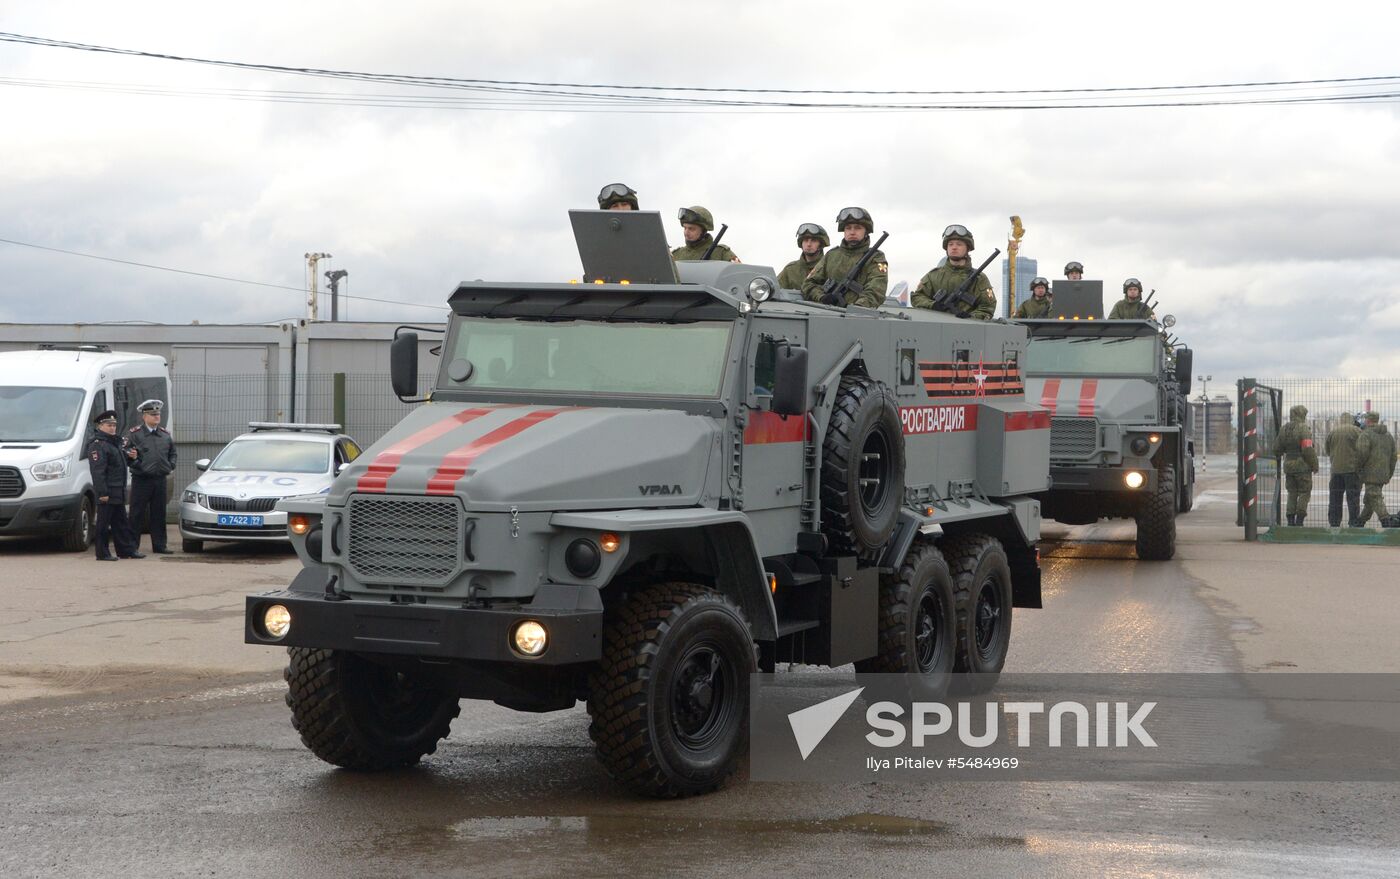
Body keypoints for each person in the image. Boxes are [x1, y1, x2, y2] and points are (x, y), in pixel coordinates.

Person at [801, 207, 888, 307]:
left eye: (857, 228)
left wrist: (857, 307)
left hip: (858, 317)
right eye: (848, 228)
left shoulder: (876, 257)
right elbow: (808, 284)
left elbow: (876, 290)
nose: (852, 232)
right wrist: (822, 297)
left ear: (866, 231)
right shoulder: (831, 255)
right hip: (828, 313)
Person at [911, 224, 996, 319]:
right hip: (936, 326)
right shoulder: (933, 276)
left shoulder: (980, 279)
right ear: (946, 248)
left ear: (967, 248)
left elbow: (988, 307)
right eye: (950, 244)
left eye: (959, 244)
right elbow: (916, 297)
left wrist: (971, 317)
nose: (954, 247)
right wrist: (933, 305)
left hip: (967, 330)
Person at [88, 410, 141, 561]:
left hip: (118, 489)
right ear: (100, 426)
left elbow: (120, 463)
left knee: (121, 523)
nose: (112, 428)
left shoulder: (114, 443)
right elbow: (98, 472)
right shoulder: (98, 445)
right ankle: (102, 553)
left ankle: (126, 550)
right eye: (109, 425)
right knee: (103, 524)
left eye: (114, 425)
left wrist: (131, 457)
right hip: (108, 491)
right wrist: (102, 492)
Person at [126, 399, 177, 554]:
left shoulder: (165, 435)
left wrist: (169, 466)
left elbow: (173, 454)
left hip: (160, 479)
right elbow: (127, 454)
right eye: (153, 414)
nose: (156, 417)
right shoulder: (135, 434)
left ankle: (160, 545)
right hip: (142, 479)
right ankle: (132, 546)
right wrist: (138, 465)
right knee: (136, 514)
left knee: (159, 513)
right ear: (144, 416)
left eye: (158, 414)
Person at [1273, 404, 1319, 526]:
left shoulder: (1284, 429)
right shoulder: (1303, 429)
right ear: (1302, 414)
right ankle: (1299, 520)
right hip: (1302, 466)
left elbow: (1277, 448)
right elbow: (1307, 449)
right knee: (1304, 492)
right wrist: (1314, 465)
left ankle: (1290, 520)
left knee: (1292, 492)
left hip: (1288, 466)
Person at [1324, 411, 1364, 527]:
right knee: (1352, 499)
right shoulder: (1357, 431)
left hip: (1336, 470)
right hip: (1352, 470)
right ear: (1351, 420)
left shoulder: (1333, 432)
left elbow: (1327, 449)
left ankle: (1334, 522)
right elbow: (1363, 448)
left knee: (1335, 498)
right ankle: (1353, 522)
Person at [1356, 411, 1396, 526]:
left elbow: (1361, 454)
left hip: (1370, 473)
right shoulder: (1388, 436)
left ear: (1368, 420)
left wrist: (1358, 469)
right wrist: (1389, 474)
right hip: (1383, 473)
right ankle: (1360, 522)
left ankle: (1386, 520)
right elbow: (1393, 457)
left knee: (1374, 497)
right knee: (1370, 499)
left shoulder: (1366, 435)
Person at [672, 206, 740, 262]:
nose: (686, 232)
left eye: (691, 229)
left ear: (704, 230)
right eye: (685, 228)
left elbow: (741, 274)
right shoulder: (675, 255)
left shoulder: (721, 253)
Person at [778, 223, 828, 290]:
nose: (809, 244)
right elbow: (774, 291)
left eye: (813, 241)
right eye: (805, 240)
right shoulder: (790, 270)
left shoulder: (828, 268)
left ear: (821, 244)